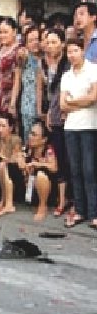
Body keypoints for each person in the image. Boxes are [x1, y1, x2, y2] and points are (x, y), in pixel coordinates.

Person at [60, 38, 97, 229]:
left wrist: (72, 102)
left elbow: (93, 98)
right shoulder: (66, 76)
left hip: (90, 125)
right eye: (69, 52)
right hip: (71, 127)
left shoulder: (93, 70)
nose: (72, 55)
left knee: (89, 170)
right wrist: (81, 101)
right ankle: (80, 210)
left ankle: (94, 213)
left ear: (82, 50)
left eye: (75, 50)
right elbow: (62, 104)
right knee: (75, 170)